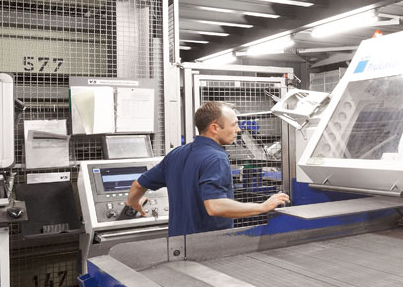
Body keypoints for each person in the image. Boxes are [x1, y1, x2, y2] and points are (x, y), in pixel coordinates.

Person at [123, 100, 290, 236]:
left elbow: (138, 185)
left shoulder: (176, 154)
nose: (238, 130)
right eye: (234, 125)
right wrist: (262, 207)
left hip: (177, 246)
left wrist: (133, 203)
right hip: (207, 247)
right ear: (214, 128)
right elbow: (215, 206)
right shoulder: (217, 158)